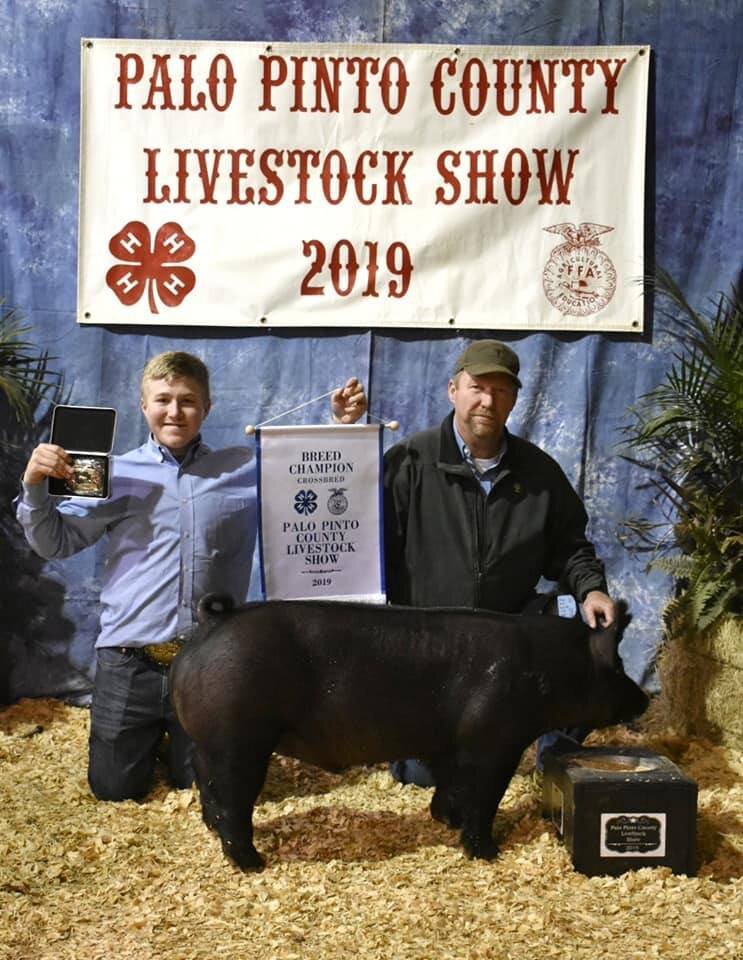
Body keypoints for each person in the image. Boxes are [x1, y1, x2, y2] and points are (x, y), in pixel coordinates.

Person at [15, 351, 366, 802]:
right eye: (163, 399)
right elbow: (55, 542)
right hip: (129, 660)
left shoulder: (244, 470)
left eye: (187, 400)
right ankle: (150, 740)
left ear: (207, 408)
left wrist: (341, 427)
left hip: (208, 662)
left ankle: (179, 749)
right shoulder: (110, 474)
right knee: (114, 790)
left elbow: (309, 474)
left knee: (202, 787)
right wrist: (34, 488)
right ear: (144, 405)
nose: (174, 411)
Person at [383, 339, 615, 784]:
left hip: (511, 641)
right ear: (453, 390)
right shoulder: (410, 463)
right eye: (477, 387)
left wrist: (591, 590)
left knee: (585, 641)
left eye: (502, 391)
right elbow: (370, 549)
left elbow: (570, 547)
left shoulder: (540, 473)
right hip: (430, 648)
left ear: (513, 400)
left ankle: (553, 759)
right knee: (425, 778)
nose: (488, 401)